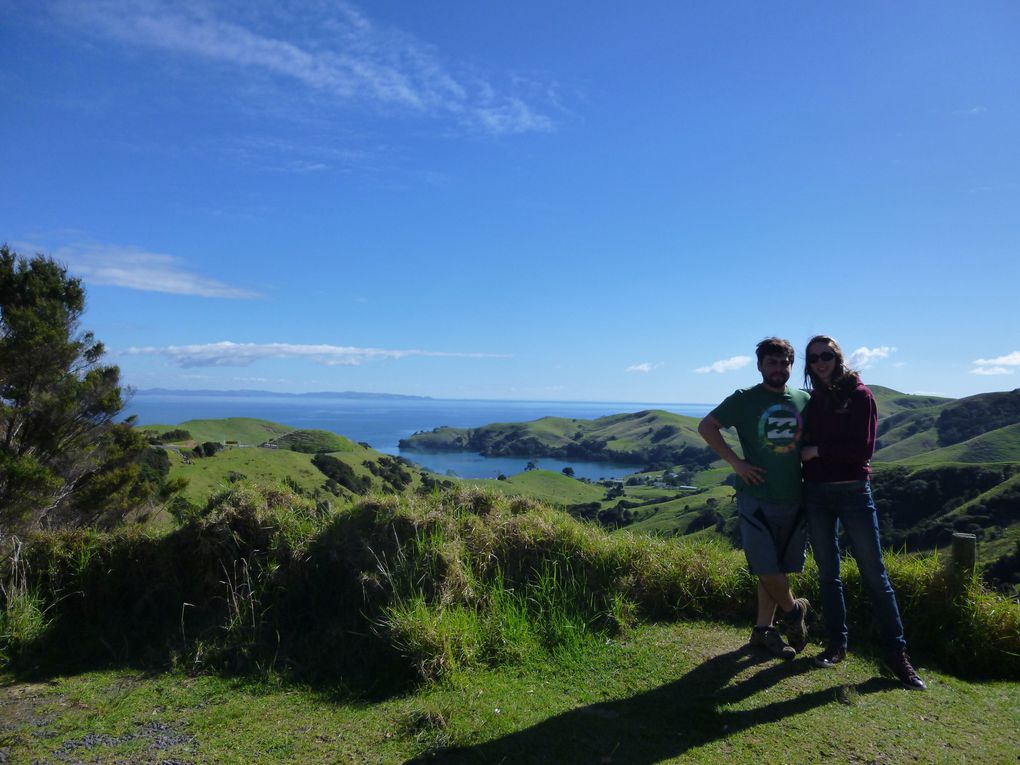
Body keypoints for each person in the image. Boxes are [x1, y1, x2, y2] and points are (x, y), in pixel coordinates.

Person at [800, 335, 926, 690]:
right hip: (816, 493)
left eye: (826, 355)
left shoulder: (860, 395)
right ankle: (836, 645)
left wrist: (816, 452)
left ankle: (896, 654)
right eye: (813, 358)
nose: (820, 362)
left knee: (875, 575)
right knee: (828, 573)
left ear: (838, 358)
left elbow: (862, 449)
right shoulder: (813, 399)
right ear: (808, 365)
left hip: (853, 492)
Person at [699, 337, 810, 660]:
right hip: (756, 497)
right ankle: (794, 611)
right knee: (764, 565)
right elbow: (707, 427)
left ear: (791, 366)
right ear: (760, 365)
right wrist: (737, 463)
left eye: (784, 363)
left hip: (793, 496)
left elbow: (807, 441)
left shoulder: (803, 399)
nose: (778, 368)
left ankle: (762, 632)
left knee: (776, 568)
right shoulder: (744, 399)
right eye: (771, 362)